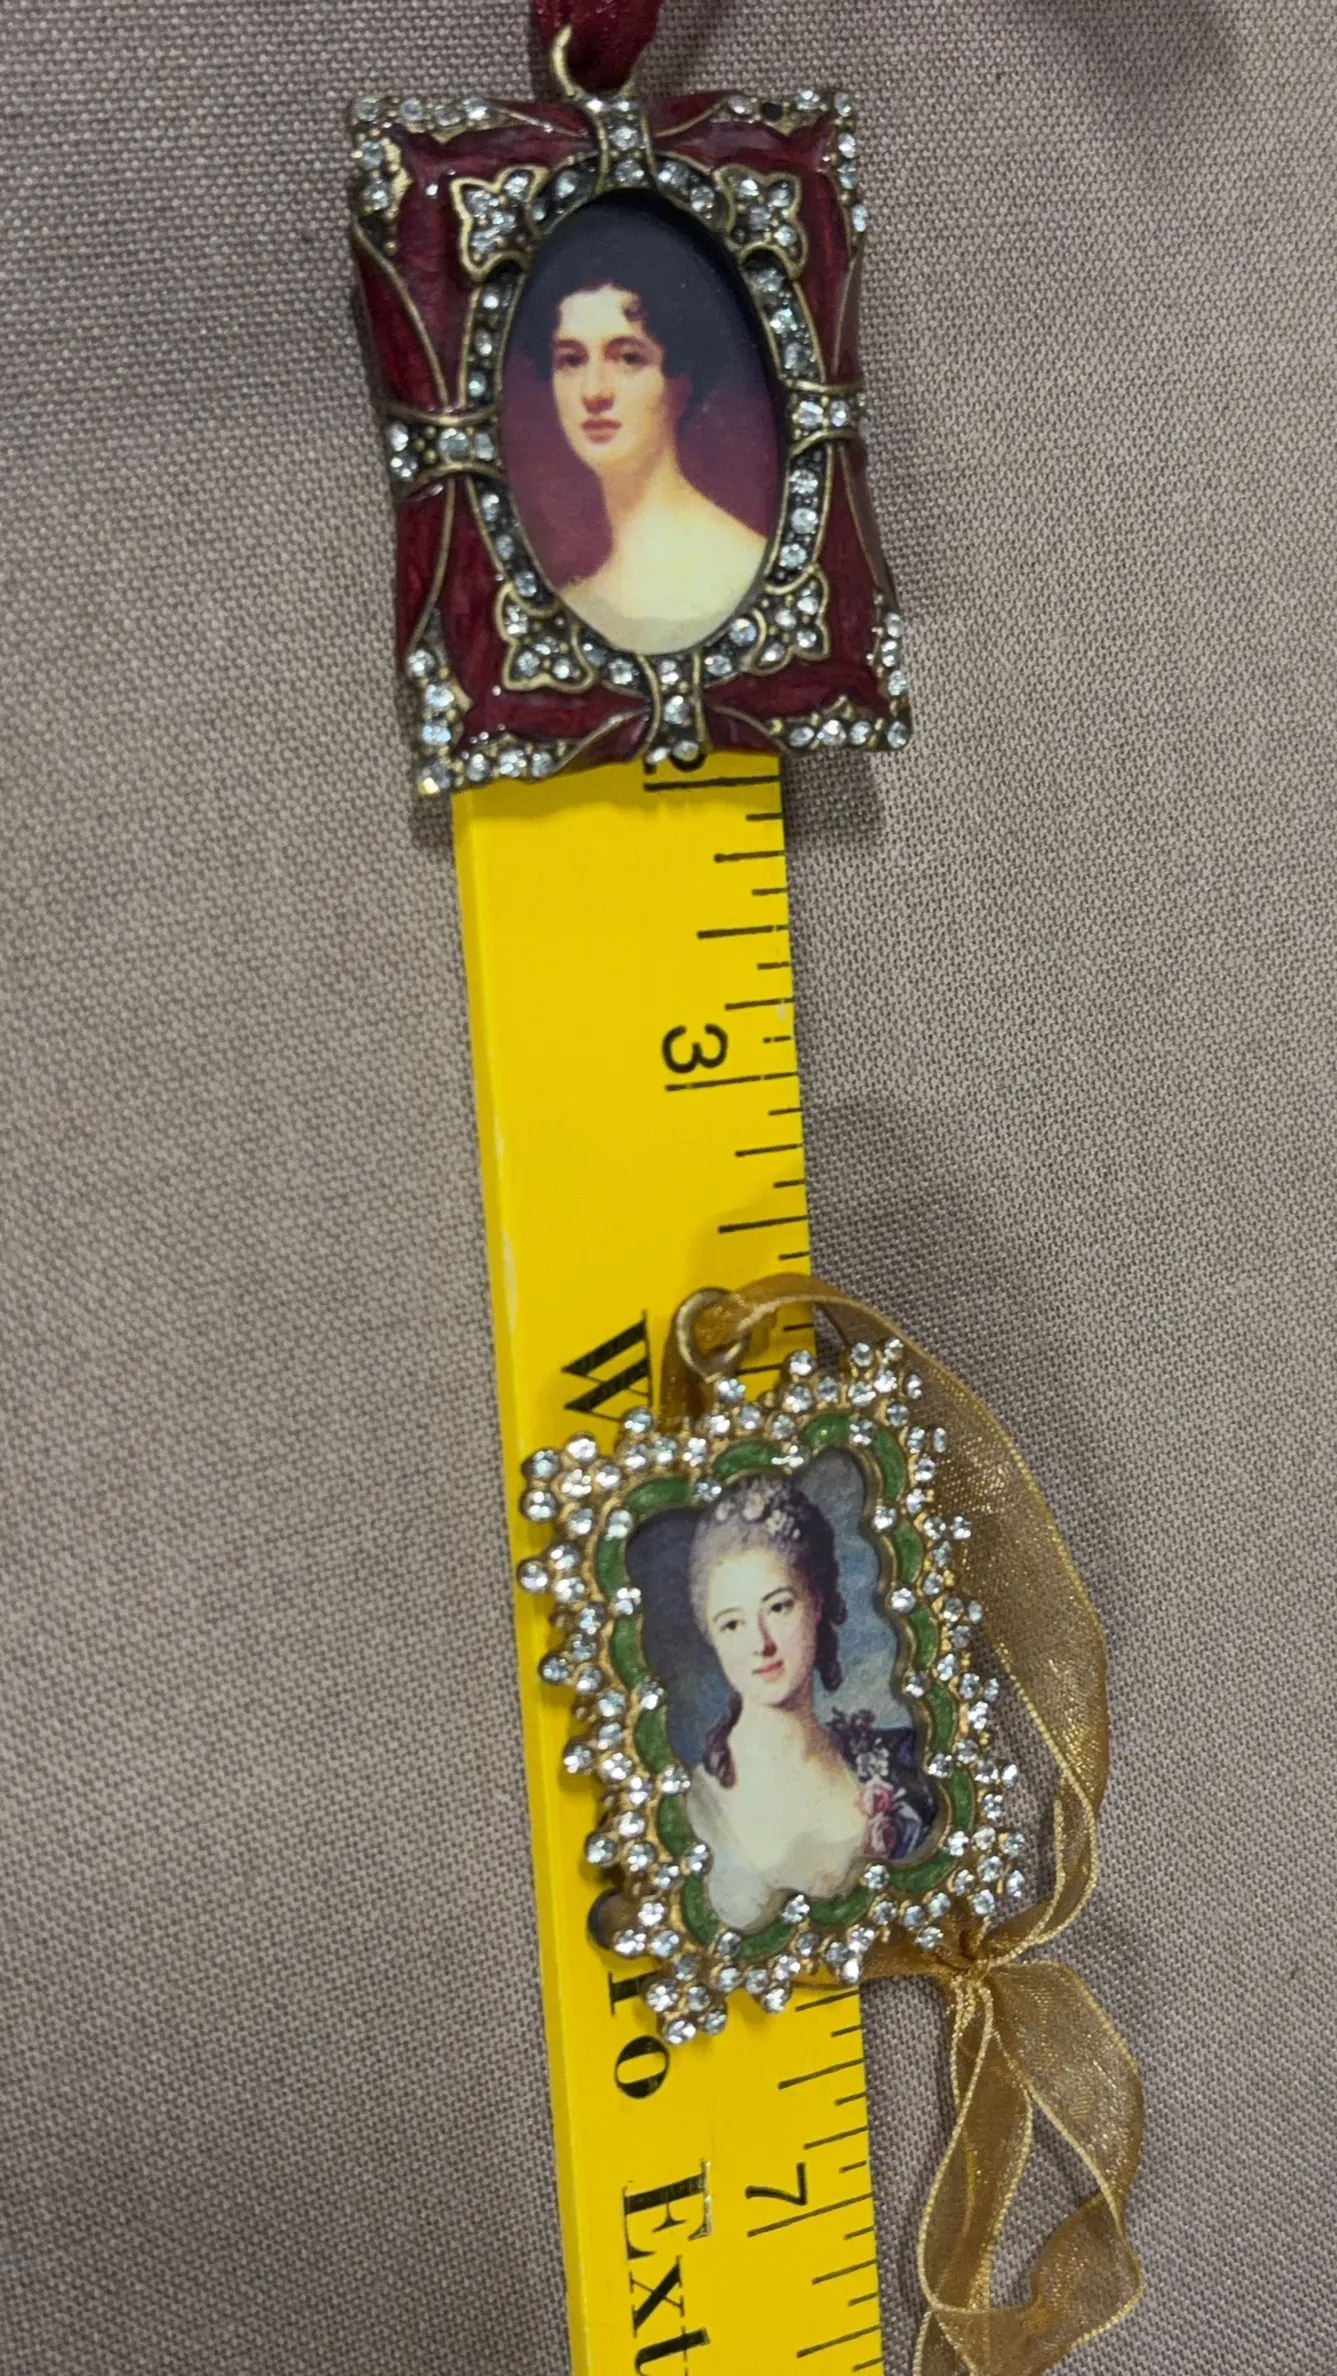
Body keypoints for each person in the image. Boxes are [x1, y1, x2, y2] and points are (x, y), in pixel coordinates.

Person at [511, 201, 770, 652]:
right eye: (571, 360)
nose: (594, 392)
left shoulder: (742, 567)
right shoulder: (577, 602)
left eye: (629, 358)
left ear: (683, 380)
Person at [683, 1473, 934, 1933]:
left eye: (778, 1607)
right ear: (713, 1638)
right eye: (732, 1624)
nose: (761, 1643)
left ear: (816, 1602)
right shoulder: (693, 1809)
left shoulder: (897, 1764)